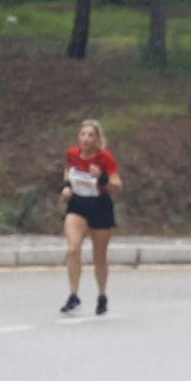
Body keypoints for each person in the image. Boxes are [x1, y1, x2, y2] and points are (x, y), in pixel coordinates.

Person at [58, 119, 122, 315]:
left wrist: (101, 177)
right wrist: (66, 187)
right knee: (73, 248)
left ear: (97, 139)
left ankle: (102, 296)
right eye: (83, 135)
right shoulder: (72, 154)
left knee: (99, 257)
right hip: (77, 205)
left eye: (90, 135)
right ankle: (73, 295)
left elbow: (117, 186)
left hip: (100, 206)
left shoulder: (105, 158)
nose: (86, 139)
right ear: (78, 137)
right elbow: (68, 172)